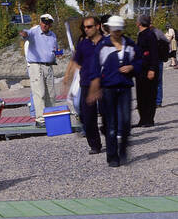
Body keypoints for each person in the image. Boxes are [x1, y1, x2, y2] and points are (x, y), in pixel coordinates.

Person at [63, 14, 106, 155]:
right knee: (87, 116)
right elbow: (75, 61)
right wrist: (68, 77)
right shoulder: (83, 44)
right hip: (87, 84)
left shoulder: (107, 42)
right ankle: (95, 144)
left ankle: (110, 133)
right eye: (84, 27)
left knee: (109, 114)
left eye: (89, 27)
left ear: (97, 26)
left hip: (106, 83)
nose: (86, 29)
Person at [98, 17, 135, 167]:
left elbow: (138, 61)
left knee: (126, 122)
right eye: (114, 30)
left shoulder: (130, 44)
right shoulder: (103, 45)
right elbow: (95, 66)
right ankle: (112, 156)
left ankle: (123, 150)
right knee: (111, 124)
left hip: (125, 87)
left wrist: (132, 67)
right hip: (108, 88)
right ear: (110, 29)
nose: (117, 32)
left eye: (119, 29)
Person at [22, 13, 59, 123]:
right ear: (40, 22)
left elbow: (54, 50)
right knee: (39, 93)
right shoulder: (34, 31)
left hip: (49, 66)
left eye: (47, 23)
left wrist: (57, 53)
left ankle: (51, 117)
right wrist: (24, 34)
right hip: (36, 65)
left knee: (51, 94)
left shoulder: (53, 36)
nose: (45, 25)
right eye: (43, 22)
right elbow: (26, 34)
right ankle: (41, 119)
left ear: (50, 24)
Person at [134, 14, 163, 126]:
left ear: (139, 23)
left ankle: (149, 120)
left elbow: (154, 54)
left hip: (149, 70)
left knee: (150, 95)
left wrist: (152, 69)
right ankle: (142, 119)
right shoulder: (141, 35)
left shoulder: (150, 35)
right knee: (141, 96)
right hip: (141, 70)